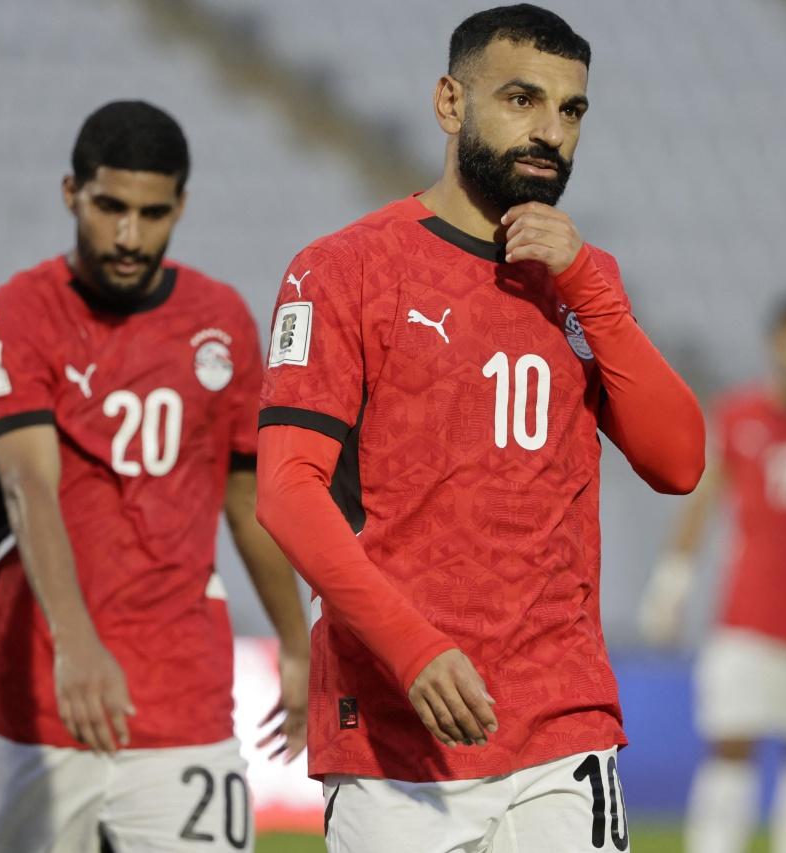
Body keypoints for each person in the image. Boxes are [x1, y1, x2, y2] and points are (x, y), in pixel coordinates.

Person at [254, 5, 705, 851]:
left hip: (560, 728)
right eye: (522, 99)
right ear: (450, 103)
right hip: (395, 735)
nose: (551, 132)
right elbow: (285, 490)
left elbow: (679, 461)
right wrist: (412, 648)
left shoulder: (581, 280)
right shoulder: (344, 269)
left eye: (571, 110)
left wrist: (588, 285)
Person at [0, 100, 309, 853]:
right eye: (109, 207)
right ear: (71, 194)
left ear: (180, 206)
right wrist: (76, 644)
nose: (128, 236)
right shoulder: (12, 320)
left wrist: (297, 641)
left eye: (151, 214)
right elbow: (27, 487)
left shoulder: (221, 320)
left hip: (182, 698)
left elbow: (247, 499)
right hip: (33, 696)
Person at [638, 293, 786, 853]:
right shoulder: (738, 416)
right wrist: (671, 585)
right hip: (745, 617)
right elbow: (701, 502)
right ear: (777, 344)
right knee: (730, 747)